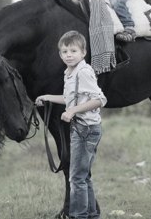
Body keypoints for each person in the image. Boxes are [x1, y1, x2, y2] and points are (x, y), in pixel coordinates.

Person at [35, 31, 107, 219]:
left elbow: (100, 99)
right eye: (64, 51)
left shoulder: (83, 72)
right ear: (60, 55)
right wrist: (47, 97)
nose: (68, 54)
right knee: (83, 176)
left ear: (83, 53)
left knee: (76, 178)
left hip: (86, 129)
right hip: (80, 129)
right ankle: (92, 215)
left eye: (73, 50)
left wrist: (73, 111)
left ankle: (78, 215)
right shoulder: (70, 72)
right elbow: (70, 98)